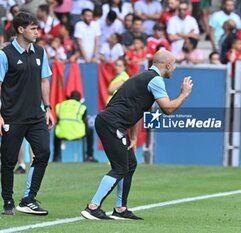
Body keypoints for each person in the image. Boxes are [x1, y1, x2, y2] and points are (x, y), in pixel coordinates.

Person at [81, 49, 193, 220]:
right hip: (111, 123)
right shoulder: (155, 80)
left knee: (130, 163)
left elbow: (138, 111)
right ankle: (93, 207)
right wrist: (184, 94)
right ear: (168, 65)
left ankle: (120, 209)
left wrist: (133, 137)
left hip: (111, 122)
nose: (175, 68)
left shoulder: (143, 77)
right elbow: (168, 109)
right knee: (120, 168)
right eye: (174, 64)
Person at [0, 12, 54, 215]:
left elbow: (44, 81)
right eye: (33, 28)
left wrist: (47, 107)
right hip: (12, 117)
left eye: (37, 28)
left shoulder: (40, 52)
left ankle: (28, 198)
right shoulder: (5, 55)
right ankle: (7, 201)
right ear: (21, 30)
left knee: (44, 153)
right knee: (8, 161)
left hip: (36, 116)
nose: (37, 32)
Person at [53, 91, 97, 163]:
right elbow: (85, 123)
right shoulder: (81, 107)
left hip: (62, 133)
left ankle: (56, 157)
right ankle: (90, 156)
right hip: (78, 133)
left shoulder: (60, 106)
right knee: (90, 130)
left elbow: (58, 121)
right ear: (79, 99)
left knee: (57, 129)